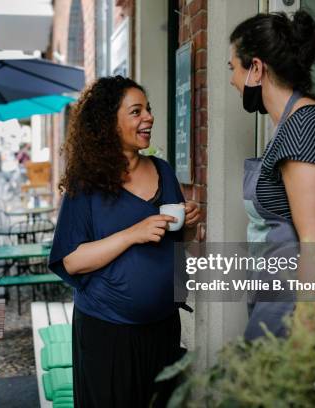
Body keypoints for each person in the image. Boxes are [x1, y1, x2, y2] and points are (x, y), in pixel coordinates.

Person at [49, 76, 201, 407]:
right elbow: (71, 260)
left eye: (148, 109)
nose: (148, 117)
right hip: (108, 333)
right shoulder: (86, 184)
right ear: (109, 123)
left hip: (164, 329)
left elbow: (177, 246)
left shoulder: (163, 170)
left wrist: (189, 226)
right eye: (136, 111)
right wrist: (133, 233)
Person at [228, 10, 315, 340]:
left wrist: (304, 343)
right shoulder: (289, 126)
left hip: (291, 318)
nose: (232, 80)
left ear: (256, 68)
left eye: (234, 68)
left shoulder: (302, 126)